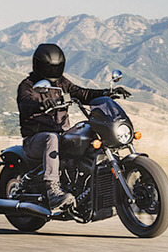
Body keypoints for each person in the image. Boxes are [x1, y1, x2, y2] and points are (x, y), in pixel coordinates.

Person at [16, 43, 131, 209]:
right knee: (51, 137)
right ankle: (53, 191)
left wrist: (107, 93)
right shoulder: (27, 85)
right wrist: (40, 105)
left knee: (87, 130)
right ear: (39, 65)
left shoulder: (62, 83)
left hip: (62, 135)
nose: (53, 71)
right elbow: (25, 104)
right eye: (49, 67)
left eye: (56, 67)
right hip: (35, 140)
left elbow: (83, 93)